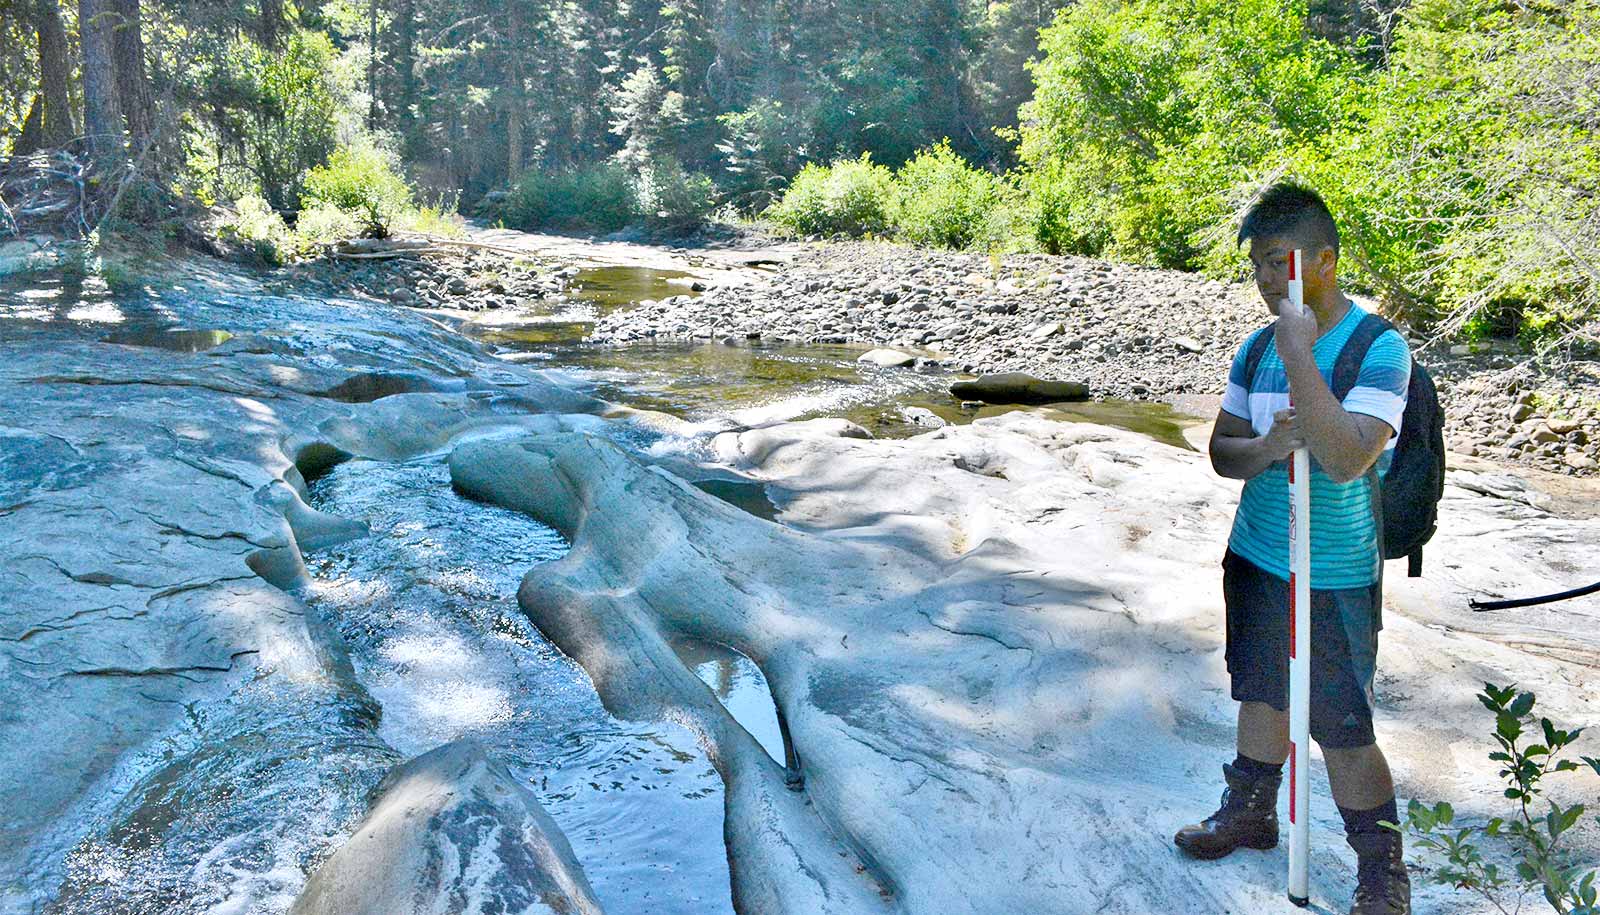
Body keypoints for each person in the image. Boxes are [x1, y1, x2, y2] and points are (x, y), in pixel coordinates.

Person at [1174, 183, 1413, 915]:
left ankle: (1381, 868)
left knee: (1340, 721)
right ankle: (1250, 809)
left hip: (1335, 569)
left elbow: (1346, 458)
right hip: (1257, 553)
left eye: (1281, 262)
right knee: (1260, 688)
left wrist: (1301, 354)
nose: (1268, 281)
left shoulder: (1379, 348)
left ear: (1326, 261)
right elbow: (1223, 452)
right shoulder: (1254, 348)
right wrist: (1268, 444)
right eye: (1258, 266)